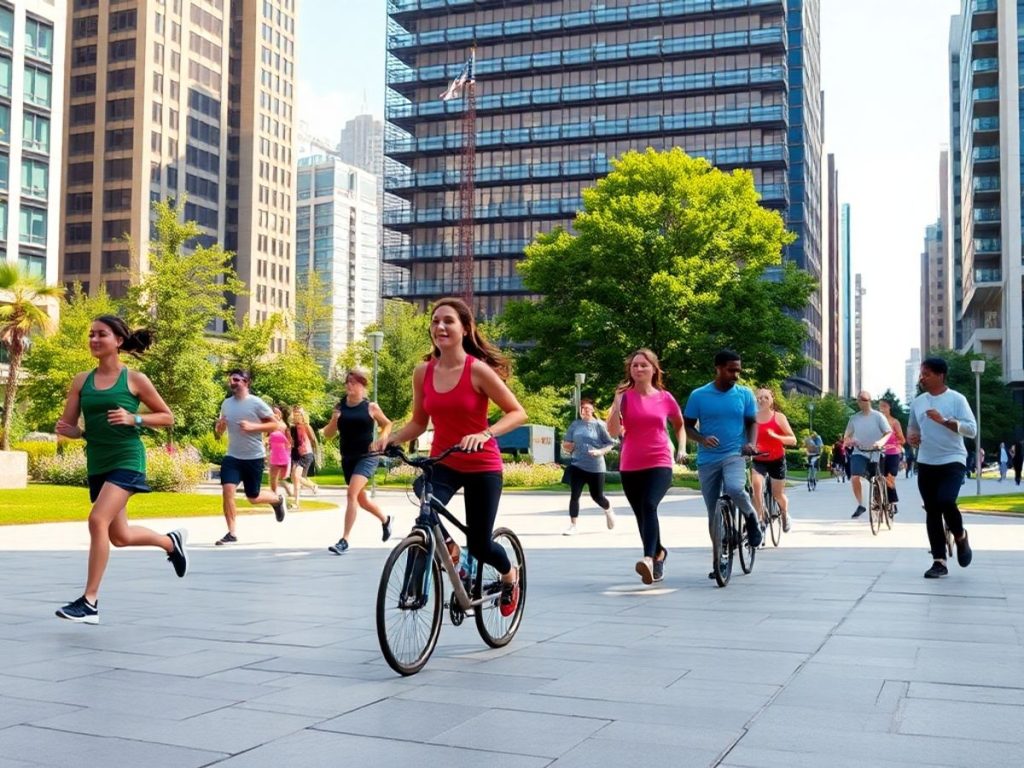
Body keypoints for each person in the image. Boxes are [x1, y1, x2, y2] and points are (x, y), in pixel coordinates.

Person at [374, 297, 527, 616]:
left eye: (448, 321)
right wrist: (390, 439)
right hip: (443, 462)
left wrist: (485, 433)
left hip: (482, 465)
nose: (440, 326)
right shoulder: (423, 372)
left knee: (482, 545)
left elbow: (517, 412)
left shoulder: (478, 371)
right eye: (435, 321)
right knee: (422, 494)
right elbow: (419, 422)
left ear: (465, 328)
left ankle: (510, 575)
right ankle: (450, 550)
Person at [54, 315, 187, 624]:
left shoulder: (134, 379)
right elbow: (69, 426)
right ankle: (171, 543)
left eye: (101, 334)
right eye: (90, 335)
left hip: (127, 458)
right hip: (98, 461)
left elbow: (167, 417)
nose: (94, 340)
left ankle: (89, 602)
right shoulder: (80, 380)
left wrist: (134, 419)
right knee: (120, 536)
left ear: (118, 341)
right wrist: (74, 433)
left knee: (97, 520)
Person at [683, 350, 764, 581]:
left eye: (738, 370)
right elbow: (688, 427)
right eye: (731, 370)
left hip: (734, 453)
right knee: (713, 514)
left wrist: (751, 444)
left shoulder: (744, 394)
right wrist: (701, 439)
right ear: (717, 368)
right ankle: (719, 559)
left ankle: (751, 517)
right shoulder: (699, 395)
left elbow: (752, 423)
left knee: (736, 488)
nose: (735, 375)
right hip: (707, 460)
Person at [607, 350, 685, 584]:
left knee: (649, 505)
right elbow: (612, 431)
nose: (638, 369)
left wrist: (681, 448)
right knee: (642, 514)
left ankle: (649, 559)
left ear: (653, 369)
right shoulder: (625, 396)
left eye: (643, 365)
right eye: (634, 366)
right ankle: (659, 553)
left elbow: (679, 425)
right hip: (630, 463)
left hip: (659, 460)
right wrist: (617, 402)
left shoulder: (665, 397)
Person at [907, 357, 976, 579]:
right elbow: (912, 428)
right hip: (926, 461)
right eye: (921, 373)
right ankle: (939, 562)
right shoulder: (918, 402)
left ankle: (960, 536)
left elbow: (972, 430)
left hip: (953, 459)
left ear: (940, 375)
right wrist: (912, 438)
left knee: (946, 500)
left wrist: (944, 421)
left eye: (926, 374)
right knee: (932, 510)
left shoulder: (956, 399)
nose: (922, 378)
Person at [322, 368, 394, 554]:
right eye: (347, 382)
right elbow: (329, 435)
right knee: (361, 500)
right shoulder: (340, 407)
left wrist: (382, 438)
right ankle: (386, 519)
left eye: (353, 382)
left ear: (363, 386)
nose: (349, 386)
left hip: (368, 456)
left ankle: (344, 540)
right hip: (348, 458)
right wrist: (333, 420)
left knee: (351, 494)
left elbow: (387, 424)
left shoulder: (371, 407)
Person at [213, 369, 288, 545]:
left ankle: (277, 500)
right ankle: (231, 533)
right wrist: (220, 428)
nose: (233, 382)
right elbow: (219, 432)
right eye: (231, 379)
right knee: (227, 490)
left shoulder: (256, 403)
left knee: (252, 497)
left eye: (237, 379)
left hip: (253, 457)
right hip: (232, 456)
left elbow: (275, 425)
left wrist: (253, 427)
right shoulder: (226, 404)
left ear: (246, 382)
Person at [562, 398, 617, 535]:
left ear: (592, 411)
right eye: (582, 409)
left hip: (596, 467)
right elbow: (566, 443)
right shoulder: (575, 425)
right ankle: (573, 525)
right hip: (577, 464)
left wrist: (600, 452)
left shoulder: (599, 425)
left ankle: (608, 510)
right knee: (575, 495)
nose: (584, 411)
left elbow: (610, 443)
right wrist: (568, 447)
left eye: (587, 409)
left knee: (597, 496)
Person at [751, 388, 796, 533]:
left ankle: (784, 514)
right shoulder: (751, 418)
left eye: (766, 397)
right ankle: (760, 519)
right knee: (756, 486)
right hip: (759, 459)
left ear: (772, 399)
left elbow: (793, 440)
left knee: (778, 494)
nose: (762, 400)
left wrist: (777, 437)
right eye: (759, 397)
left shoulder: (779, 417)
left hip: (777, 459)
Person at [842, 391, 892, 518]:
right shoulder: (854, 418)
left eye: (864, 399)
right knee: (855, 477)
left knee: (877, 480)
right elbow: (846, 436)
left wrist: (880, 442)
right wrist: (849, 441)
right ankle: (861, 504)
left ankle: (881, 501)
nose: (861, 402)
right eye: (859, 400)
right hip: (860, 452)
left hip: (876, 452)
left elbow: (888, 432)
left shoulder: (878, 416)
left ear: (869, 401)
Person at [288, 404, 320, 506]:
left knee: (296, 477)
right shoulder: (292, 428)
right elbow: (290, 441)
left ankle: (297, 502)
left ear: (303, 415)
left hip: (306, 454)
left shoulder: (306, 426)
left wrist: (317, 455)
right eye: (295, 414)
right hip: (296, 454)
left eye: (299, 414)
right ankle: (298, 500)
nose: (297, 416)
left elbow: (313, 440)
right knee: (294, 477)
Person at [878, 400, 906, 510]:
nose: (882, 409)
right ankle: (877, 499)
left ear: (889, 408)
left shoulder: (894, 422)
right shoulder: (876, 422)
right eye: (880, 407)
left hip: (892, 453)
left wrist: (893, 444)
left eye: (884, 406)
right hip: (878, 453)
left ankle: (892, 502)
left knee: (889, 477)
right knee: (877, 477)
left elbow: (902, 439)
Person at [267, 405, 294, 500]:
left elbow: (289, 441)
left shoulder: (280, 425)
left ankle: (274, 495)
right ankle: (288, 491)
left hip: (280, 453)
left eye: (276, 413)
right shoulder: (276, 424)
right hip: (277, 452)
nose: (273, 415)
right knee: (276, 477)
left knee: (274, 476)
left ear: (280, 414)